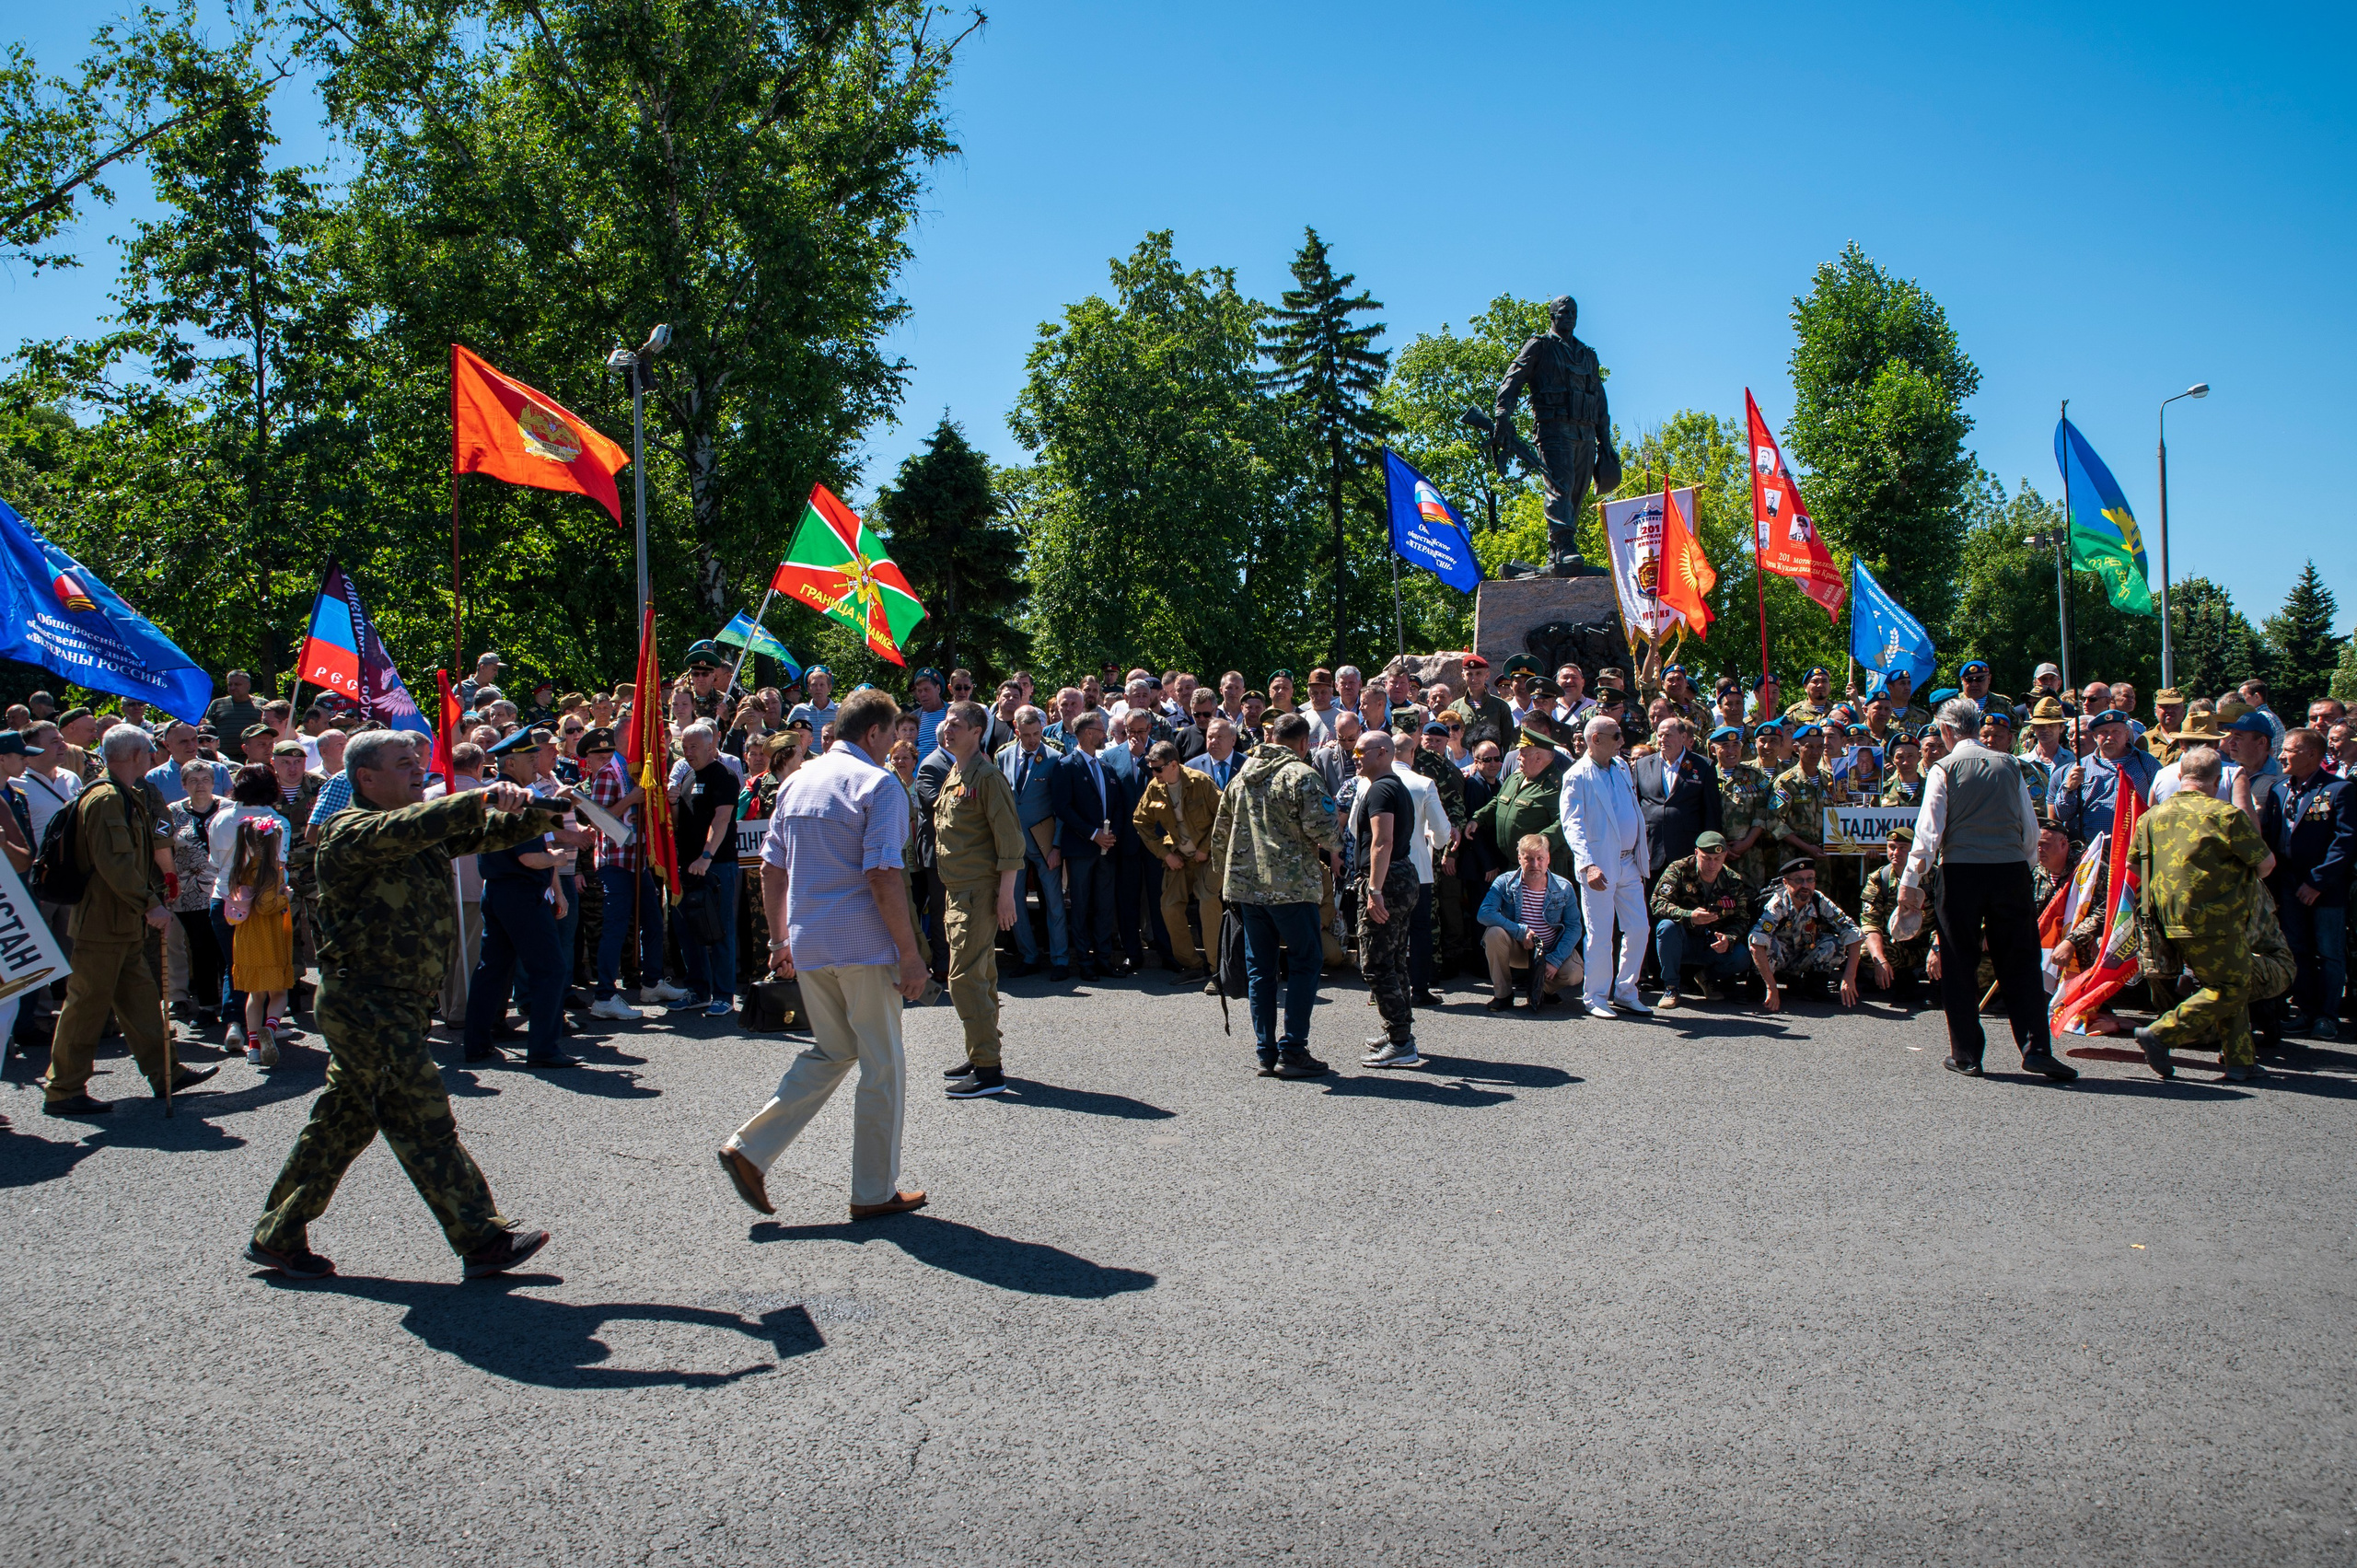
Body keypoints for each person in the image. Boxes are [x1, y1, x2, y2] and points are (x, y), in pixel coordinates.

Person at [717, 688, 928, 1221]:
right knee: (882, 1066)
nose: (894, 745)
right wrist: (910, 953)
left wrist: (780, 941)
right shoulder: (878, 784)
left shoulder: (796, 782)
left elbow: (771, 869)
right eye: (891, 735)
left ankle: (750, 1149)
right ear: (875, 733)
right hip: (862, 943)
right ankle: (873, 1191)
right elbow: (883, 874)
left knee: (834, 1051)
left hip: (810, 941)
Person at [38, 726, 217, 1117]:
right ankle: (64, 1089)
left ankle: (165, 1073)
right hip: (104, 924)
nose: (151, 755)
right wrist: (149, 903)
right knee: (85, 1007)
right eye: (148, 750)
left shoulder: (125, 795)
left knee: (141, 1003)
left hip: (123, 923)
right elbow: (115, 864)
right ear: (135, 754)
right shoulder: (106, 800)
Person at [1897, 697, 2078, 1081]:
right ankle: (2036, 1049)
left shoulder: (1943, 768)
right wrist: (2020, 866)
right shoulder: (2011, 765)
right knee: (2021, 961)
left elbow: (1929, 833)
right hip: (2009, 870)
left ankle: (1966, 1055)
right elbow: (2029, 829)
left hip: (1961, 872)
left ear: (1946, 730)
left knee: (1959, 963)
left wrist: (1911, 881)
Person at [2128, 745, 2275, 1081]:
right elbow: (2265, 865)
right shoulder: (2226, 816)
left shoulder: (2151, 817)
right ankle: (2161, 1033)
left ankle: (2240, 1061)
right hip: (2215, 917)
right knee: (2233, 985)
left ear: (2181, 776)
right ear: (2218, 778)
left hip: (2165, 918)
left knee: (2221, 982)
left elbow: (2134, 864)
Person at [1206, 713, 1340, 1078]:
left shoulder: (1242, 775)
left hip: (1247, 889)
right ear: (1303, 743)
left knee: (1260, 970)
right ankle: (1293, 1049)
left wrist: (1228, 877)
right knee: (1306, 961)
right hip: (1291, 888)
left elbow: (1220, 833)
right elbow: (1325, 832)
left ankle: (1266, 1050)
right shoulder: (1302, 776)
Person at [463, 729, 588, 1066]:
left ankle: (477, 1040)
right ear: (511, 762)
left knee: (492, 968)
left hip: (499, 891)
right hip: (520, 892)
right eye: (530, 759)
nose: (536, 765)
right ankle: (544, 1048)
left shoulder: (495, 794)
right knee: (549, 969)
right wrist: (557, 860)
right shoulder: (514, 798)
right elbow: (529, 857)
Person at [928, 702, 1024, 1098]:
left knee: (964, 979)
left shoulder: (986, 777)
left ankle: (988, 1071)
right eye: (946, 724)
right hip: (958, 893)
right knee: (980, 977)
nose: (947, 730)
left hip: (979, 895)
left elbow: (1011, 841)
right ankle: (980, 1051)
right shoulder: (956, 772)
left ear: (977, 731)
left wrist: (1006, 898)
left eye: (957, 725)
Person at [2258, 727, 2352, 1040]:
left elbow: (2345, 842)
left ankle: (2328, 1016)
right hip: (2288, 884)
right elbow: (2271, 839)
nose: (2281, 756)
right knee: (2296, 948)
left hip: (2325, 888)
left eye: (2289, 750)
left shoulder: (2339, 790)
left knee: (2329, 952)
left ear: (2312, 754)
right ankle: (2306, 1010)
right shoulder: (2279, 789)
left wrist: (2318, 881)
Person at [1562, 715, 1651, 1019]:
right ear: (1595, 739)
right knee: (1600, 933)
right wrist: (1587, 864)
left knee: (1639, 927)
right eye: (1616, 736)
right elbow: (1572, 824)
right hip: (1599, 865)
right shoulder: (1577, 775)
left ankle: (1626, 991)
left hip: (1628, 863)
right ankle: (1596, 996)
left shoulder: (1622, 767)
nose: (1622, 741)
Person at [1341, 730, 1422, 1067]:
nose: (1355, 756)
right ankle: (1398, 1032)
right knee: (1393, 961)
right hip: (1399, 877)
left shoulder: (1382, 789)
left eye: (1362, 751)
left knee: (1375, 964)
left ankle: (1401, 1043)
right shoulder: (1391, 787)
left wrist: (1374, 890)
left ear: (1383, 753)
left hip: (1387, 882)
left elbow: (1382, 842)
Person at [1133, 738, 1224, 983]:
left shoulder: (1200, 782)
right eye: (1151, 768)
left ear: (1174, 764)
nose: (1154, 773)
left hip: (1209, 857)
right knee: (1169, 906)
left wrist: (1206, 848)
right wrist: (1166, 854)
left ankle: (1217, 970)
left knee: (1207, 903)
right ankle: (1192, 965)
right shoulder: (1155, 787)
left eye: (1158, 768)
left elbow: (1225, 816)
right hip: (1180, 858)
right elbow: (1141, 822)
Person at [994, 705, 1069, 980]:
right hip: (1013, 843)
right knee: (1014, 902)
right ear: (1017, 731)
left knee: (1053, 901)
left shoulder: (1055, 758)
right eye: (1026, 735)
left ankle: (1060, 959)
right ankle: (1029, 956)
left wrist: (1057, 845)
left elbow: (1062, 807)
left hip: (1044, 841)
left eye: (1037, 733)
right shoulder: (1002, 757)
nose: (1033, 740)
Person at [1048, 712, 1121, 979]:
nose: (1105, 734)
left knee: (1104, 906)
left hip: (1107, 850)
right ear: (1088, 732)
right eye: (1101, 730)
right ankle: (1085, 963)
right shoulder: (1066, 766)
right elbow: (1063, 808)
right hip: (1080, 849)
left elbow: (1117, 806)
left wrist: (1112, 835)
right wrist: (1092, 834)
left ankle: (1103, 960)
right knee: (1080, 906)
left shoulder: (1107, 768)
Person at [1476, 831, 1582, 1009]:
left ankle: (1541, 989)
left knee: (1574, 973)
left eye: (1540, 858)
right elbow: (1484, 913)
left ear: (1548, 859)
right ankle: (1503, 994)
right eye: (1529, 859)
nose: (1535, 864)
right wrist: (1520, 931)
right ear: (1519, 858)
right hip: (1517, 948)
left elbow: (1574, 928)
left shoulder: (1564, 887)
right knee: (1494, 934)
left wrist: (1555, 961)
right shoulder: (1505, 882)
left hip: (1550, 950)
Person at [1648, 830, 1752, 1007]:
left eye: (1717, 859)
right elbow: (1657, 903)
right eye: (1706, 858)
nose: (1712, 864)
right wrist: (1689, 916)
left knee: (1742, 956)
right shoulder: (1679, 869)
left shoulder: (1733, 881)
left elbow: (1742, 919)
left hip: (1711, 943)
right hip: (1682, 940)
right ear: (1697, 853)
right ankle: (1671, 987)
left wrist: (1729, 938)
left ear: (1725, 855)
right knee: (1666, 928)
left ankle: (1706, 978)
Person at [1746, 857, 1864, 1010]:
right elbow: (1756, 943)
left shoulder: (1818, 900)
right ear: (1785, 883)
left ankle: (1815, 987)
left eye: (1810, 880)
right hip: (1776, 961)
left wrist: (1849, 976)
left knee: (1835, 943)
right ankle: (1761, 987)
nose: (1805, 885)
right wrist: (1771, 986)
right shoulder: (1776, 904)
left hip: (1802, 956)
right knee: (1767, 945)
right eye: (1798, 880)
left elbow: (1852, 932)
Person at [224, 817, 295, 1064]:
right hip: (269, 940)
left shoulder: (241, 869)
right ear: (275, 844)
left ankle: (253, 1049)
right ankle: (271, 1030)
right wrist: (286, 898)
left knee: (255, 997)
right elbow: (266, 906)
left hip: (246, 941)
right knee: (279, 993)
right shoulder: (272, 872)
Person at [1859, 825, 1941, 1009]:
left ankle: (1939, 985)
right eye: (1892, 847)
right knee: (1865, 951)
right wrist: (1879, 960)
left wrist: (1937, 948)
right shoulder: (1879, 878)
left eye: (1903, 847)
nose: (1896, 852)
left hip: (1930, 944)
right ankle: (1900, 977)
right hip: (1899, 945)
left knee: (1953, 947)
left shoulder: (1934, 876)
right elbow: (1870, 923)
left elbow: (1949, 919)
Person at [1631, 716, 1720, 882]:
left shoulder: (1703, 766)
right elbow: (1634, 805)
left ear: (1683, 737)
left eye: (1668, 735)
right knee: (1652, 903)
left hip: (1687, 847)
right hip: (1652, 848)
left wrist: (1710, 849)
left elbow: (1711, 812)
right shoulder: (1642, 765)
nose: (1663, 740)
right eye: (1659, 735)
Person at [2058, 708, 2159, 843]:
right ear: (2094, 736)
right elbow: (2063, 814)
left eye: (2116, 732)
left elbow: (2163, 801)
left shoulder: (2146, 762)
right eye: (2103, 732)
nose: (2110, 737)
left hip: (2137, 847)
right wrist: (2069, 789)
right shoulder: (2080, 767)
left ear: (2126, 734)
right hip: (2095, 850)